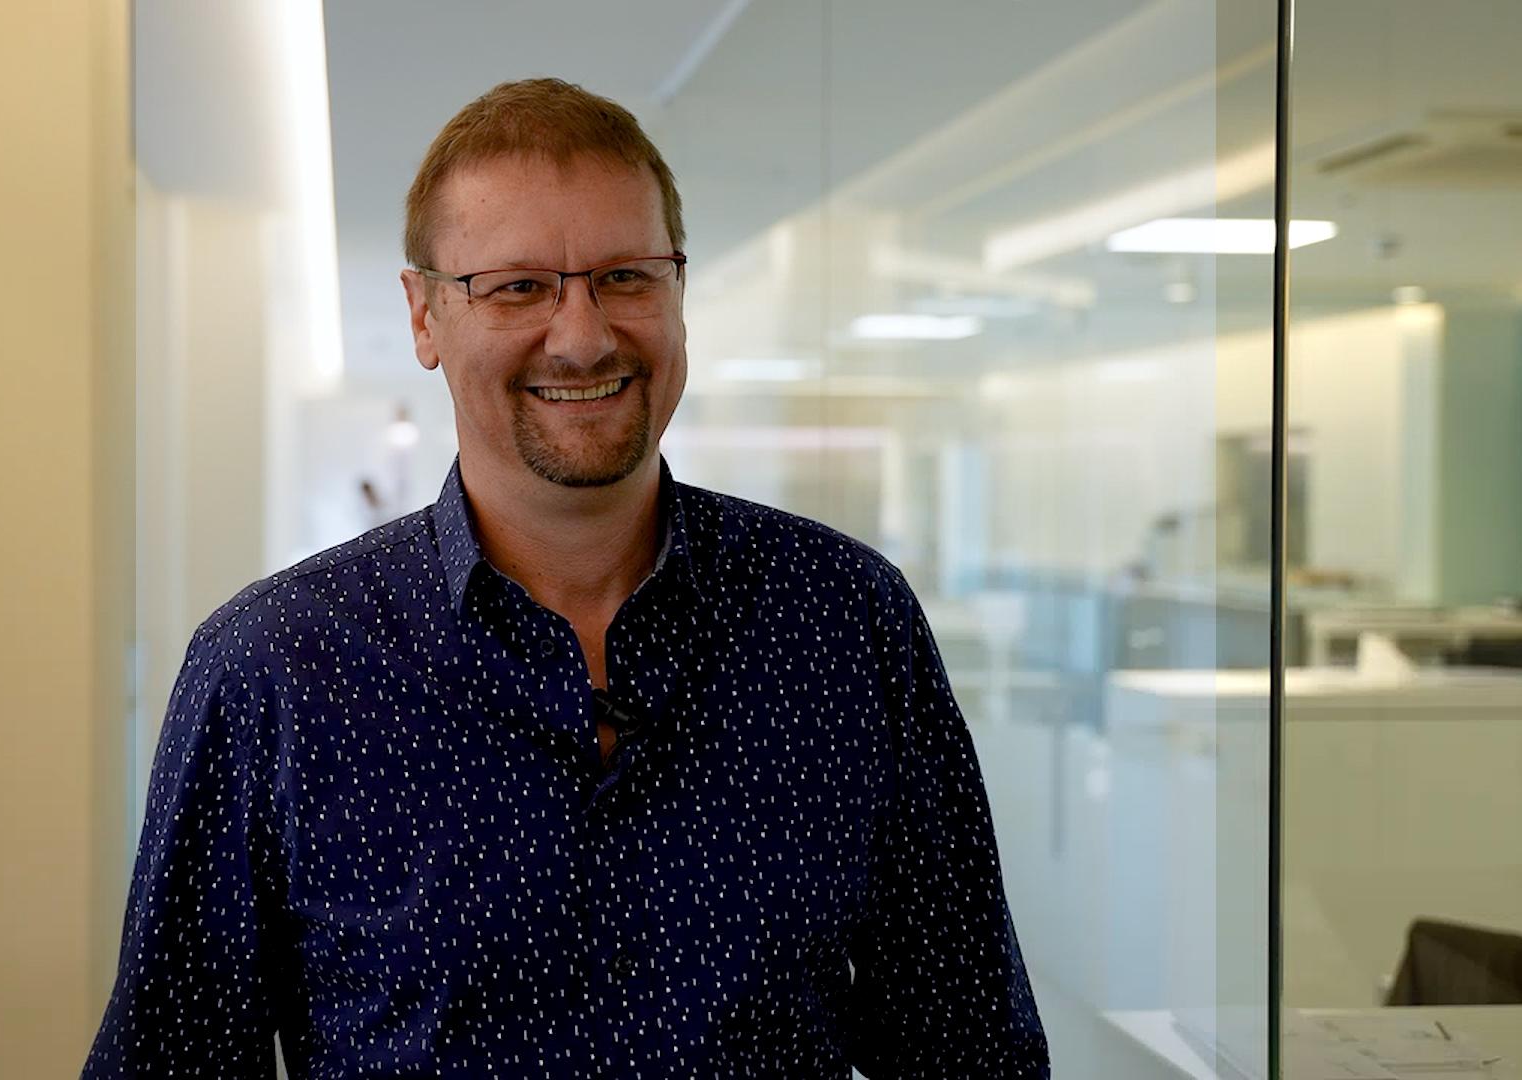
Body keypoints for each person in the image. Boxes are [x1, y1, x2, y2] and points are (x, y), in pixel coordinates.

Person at [84, 78, 1047, 1079]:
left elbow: (969, 1044)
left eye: (625, 277)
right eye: (518, 287)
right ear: (423, 316)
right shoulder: (273, 669)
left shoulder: (845, 623)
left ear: (677, 290)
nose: (583, 336)